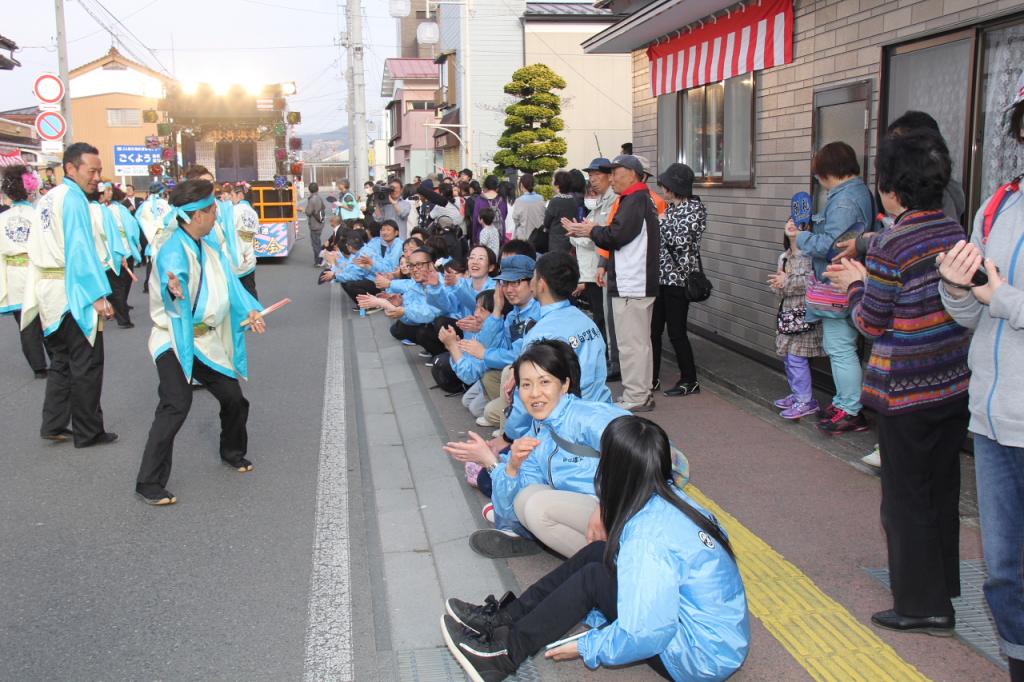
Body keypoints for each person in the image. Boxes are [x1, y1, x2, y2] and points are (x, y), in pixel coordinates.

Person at [440, 415, 747, 682]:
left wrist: (590, 646)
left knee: (593, 579)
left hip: (698, 658)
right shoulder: (675, 501)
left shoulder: (645, 539)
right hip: (718, 640)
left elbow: (648, 632)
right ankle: (504, 619)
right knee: (597, 553)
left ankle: (501, 657)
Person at [828, 130, 971, 637]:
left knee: (905, 498)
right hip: (952, 383)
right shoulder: (955, 232)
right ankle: (943, 588)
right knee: (941, 491)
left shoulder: (892, 242)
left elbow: (871, 320)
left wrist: (855, 284)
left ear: (892, 189)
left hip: (904, 390)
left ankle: (920, 605)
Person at [937, 72, 1024, 680]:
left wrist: (1002, 296)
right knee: (1005, 569)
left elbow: (1000, 300)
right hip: (993, 419)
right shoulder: (1000, 203)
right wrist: (956, 283)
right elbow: (970, 310)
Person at [135, 179, 266, 506]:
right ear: (195, 215)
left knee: (234, 399)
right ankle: (148, 481)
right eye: (212, 210)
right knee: (176, 404)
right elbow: (172, 280)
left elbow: (231, 287)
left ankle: (232, 451)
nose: (217, 215)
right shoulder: (172, 247)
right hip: (174, 339)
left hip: (204, 341)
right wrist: (173, 290)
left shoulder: (208, 247)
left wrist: (251, 311)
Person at [445, 340, 628, 558]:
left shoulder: (588, 416)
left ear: (565, 385)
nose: (534, 393)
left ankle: (618, 566)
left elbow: (649, 452)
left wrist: (605, 505)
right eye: (526, 384)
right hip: (593, 510)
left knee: (537, 506)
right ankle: (607, 564)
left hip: (628, 506)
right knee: (525, 500)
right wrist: (498, 464)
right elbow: (509, 513)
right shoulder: (537, 433)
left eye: (544, 382)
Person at [20, 142, 117, 448]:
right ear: (71, 168)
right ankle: (89, 431)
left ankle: (53, 423)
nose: (97, 177)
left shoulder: (49, 198)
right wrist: (97, 296)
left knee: (61, 360)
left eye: (99, 171)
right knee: (86, 362)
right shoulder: (74, 200)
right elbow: (79, 251)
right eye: (92, 170)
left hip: (48, 290)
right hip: (72, 288)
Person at [785, 142, 874, 435]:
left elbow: (834, 244)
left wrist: (802, 237)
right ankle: (844, 403)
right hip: (849, 281)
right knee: (842, 347)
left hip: (839, 282)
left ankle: (850, 409)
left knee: (840, 348)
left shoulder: (845, 200)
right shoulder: (857, 192)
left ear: (826, 173)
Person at [566, 155, 660, 413]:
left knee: (632, 344)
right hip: (637, 281)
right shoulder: (642, 198)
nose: (611, 178)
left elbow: (616, 235)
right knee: (639, 343)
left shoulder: (634, 200)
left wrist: (591, 230)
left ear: (630, 173)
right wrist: (595, 230)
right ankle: (641, 393)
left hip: (633, 282)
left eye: (614, 172)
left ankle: (636, 395)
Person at [651, 163, 705, 397]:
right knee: (653, 331)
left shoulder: (695, 209)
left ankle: (689, 379)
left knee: (676, 332)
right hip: (661, 278)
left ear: (674, 187)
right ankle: (650, 378)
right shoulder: (671, 208)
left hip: (679, 280)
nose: (663, 189)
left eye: (665, 185)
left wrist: (661, 221)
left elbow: (681, 240)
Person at [769, 222, 824, 419]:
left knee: (796, 358)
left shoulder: (811, 256)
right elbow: (778, 287)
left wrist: (786, 282)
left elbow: (811, 281)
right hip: (787, 315)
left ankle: (805, 400)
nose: (792, 224)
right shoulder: (784, 256)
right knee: (789, 357)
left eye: (798, 223)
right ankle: (797, 395)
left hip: (806, 316)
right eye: (789, 220)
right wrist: (779, 284)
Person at [570, 157, 617, 379]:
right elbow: (590, 232)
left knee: (604, 318)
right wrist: (579, 232)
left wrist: (580, 232)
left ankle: (611, 362)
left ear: (610, 176)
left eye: (597, 175)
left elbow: (600, 235)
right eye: (591, 176)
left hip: (601, 269)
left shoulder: (613, 200)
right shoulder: (600, 201)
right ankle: (606, 359)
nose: (593, 180)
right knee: (599, 316)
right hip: (592, 270)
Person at [0, 165, 48, 377]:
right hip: (36, 269)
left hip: (13, 273)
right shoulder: (37, 214)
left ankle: (38, 367)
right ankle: (57, 359)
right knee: (46, 316)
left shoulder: (2, 218)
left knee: (25, 321)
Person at [543, 171, 583, 254]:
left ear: (557, 185)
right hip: (570, 240)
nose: (551, 182)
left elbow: (546, 222)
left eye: (553, 180)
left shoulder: (555, 201)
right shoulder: (573, 200)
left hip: (556, 241)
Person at [471, 176, 508, 245]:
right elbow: (504, 217)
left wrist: (474, 239)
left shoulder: (479, 199)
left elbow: (475, 219)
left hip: (482, 235)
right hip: (498, 235)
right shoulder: (502, 199)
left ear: (485, 185)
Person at [510, 173, 545, 243]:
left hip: (524, 237)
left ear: (521, 185)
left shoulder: (519, 201)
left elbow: (516, 219)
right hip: (538, 237)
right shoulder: (541, 198)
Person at [305, 182, 327, 267]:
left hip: (314, 224)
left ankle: (319, 261)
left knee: (315, 243)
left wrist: (305, 210)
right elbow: (324, 207)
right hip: (320, 222)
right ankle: (320, 259)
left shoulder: (312, 199)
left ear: (309, 190)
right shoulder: (319, 197)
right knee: (317, 241)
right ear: (318, 189)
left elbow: (308, 212)